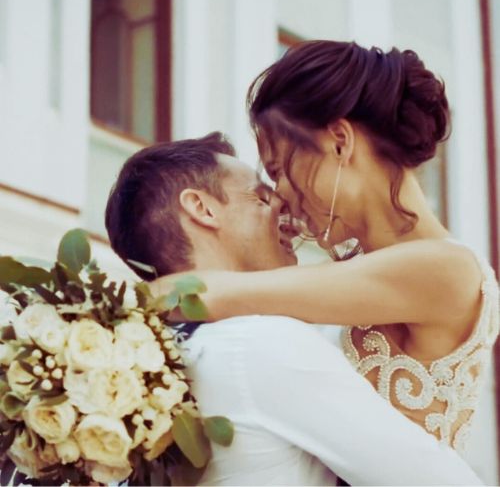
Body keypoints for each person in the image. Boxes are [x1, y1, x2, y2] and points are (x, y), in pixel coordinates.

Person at [151, 41, 499, 453]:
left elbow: (208, 294)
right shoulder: (360, 270)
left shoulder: (447, 269)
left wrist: (113, 315)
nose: (278, 193)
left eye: (279, 169)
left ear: (339, 141)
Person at [105, 133, 482, 485]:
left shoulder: (142, 366)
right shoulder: (259, 342)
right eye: (260, 197)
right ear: (202, 208)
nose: (286, 207)